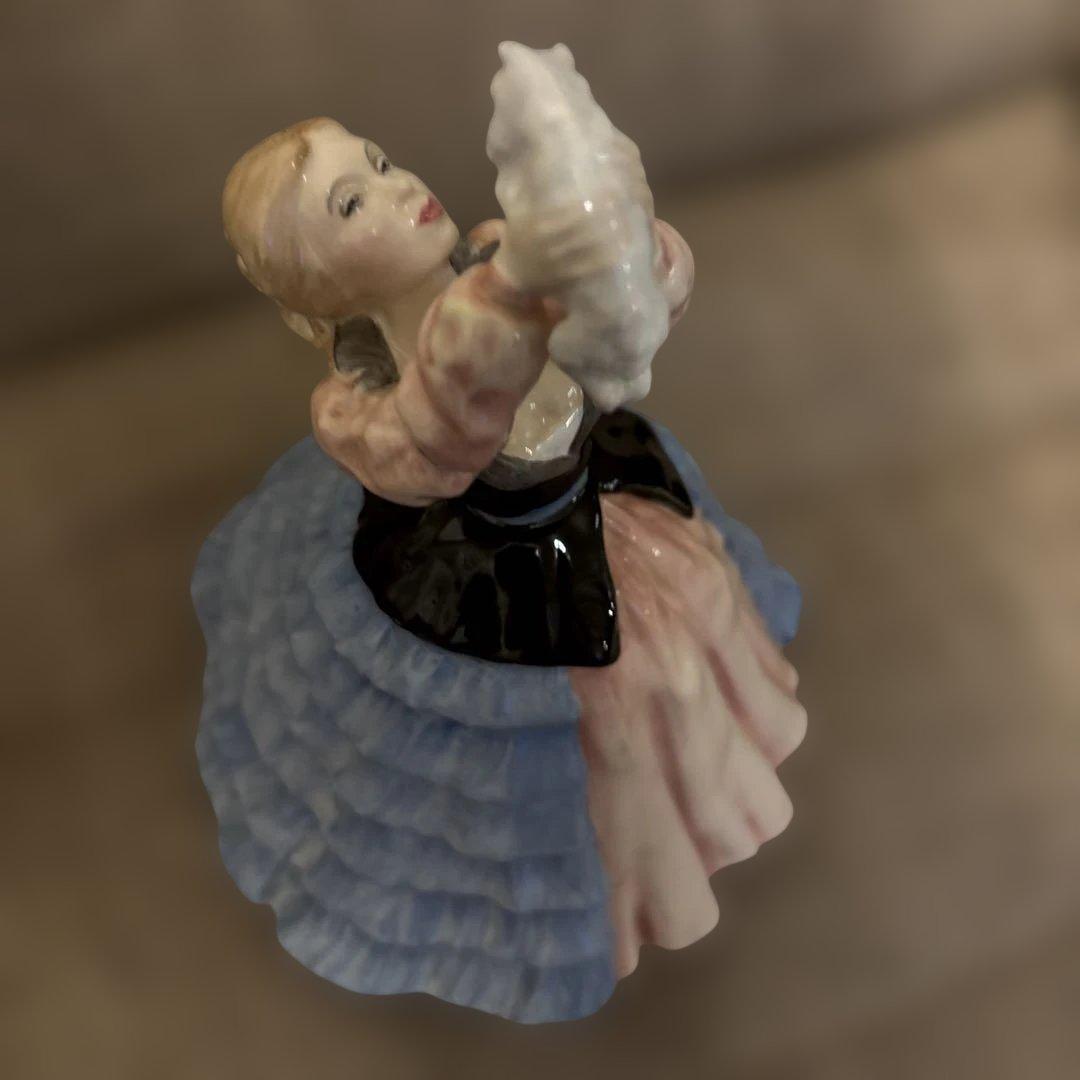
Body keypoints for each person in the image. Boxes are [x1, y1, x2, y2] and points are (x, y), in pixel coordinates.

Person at [195, 116, 806, 1022]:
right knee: (600, 735)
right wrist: (487, 329)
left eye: (380, 162)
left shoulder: (503, 253)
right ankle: (618, 883)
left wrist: (627, 243)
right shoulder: (359, 401)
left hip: (602, 511)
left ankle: (701, 807)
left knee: (683, 660)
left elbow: (636, 312)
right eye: (352, 203)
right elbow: (436, 449)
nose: (398, 186)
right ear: (315, 285)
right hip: (490, 575)